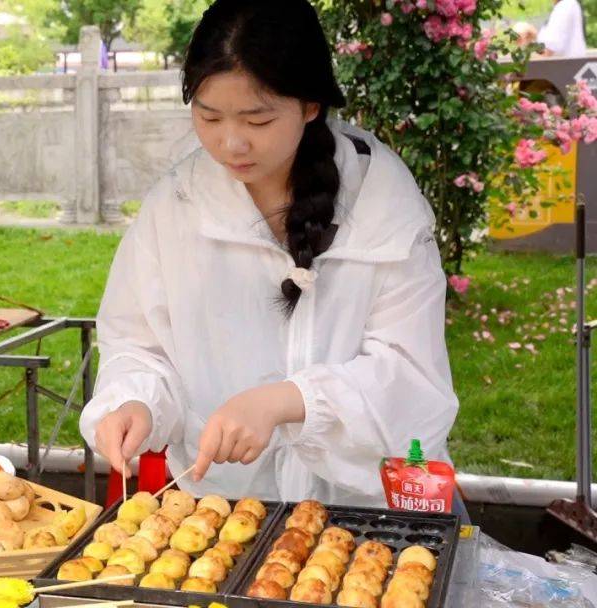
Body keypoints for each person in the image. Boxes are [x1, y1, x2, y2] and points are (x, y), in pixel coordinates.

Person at [79, 0, 460, 508]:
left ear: (309, 104)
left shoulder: (384, 207)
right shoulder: (177, 208)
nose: (231, 142)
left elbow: (413, 379)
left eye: (257, 120)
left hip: (371, 514)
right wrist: (135, 401)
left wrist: (289, 402)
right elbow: (139, 345)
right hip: (221, 513)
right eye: (209, 116)